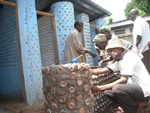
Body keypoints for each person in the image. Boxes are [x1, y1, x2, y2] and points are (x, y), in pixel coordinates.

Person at [90, 38, 150, 113]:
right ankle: (136, 105)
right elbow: (103, 70)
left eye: (115, 50)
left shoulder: (129, 57)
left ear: (121, 49)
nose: (112, 52)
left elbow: (123, 80)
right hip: (135, 89)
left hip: (144, 89)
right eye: (111, 51)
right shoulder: (119, 61)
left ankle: (134, 110)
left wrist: (99, 88)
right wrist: (88, 71)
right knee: (108, 92)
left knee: (118, 88)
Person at [129, 9, 150, 73]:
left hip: (144, 49)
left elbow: (139, 35)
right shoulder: (144, 22)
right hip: (148, 47)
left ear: (132, 14)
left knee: (146, 68)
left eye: (130, 16)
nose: (130, 18)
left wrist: (135, 46)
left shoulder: (137, 22)